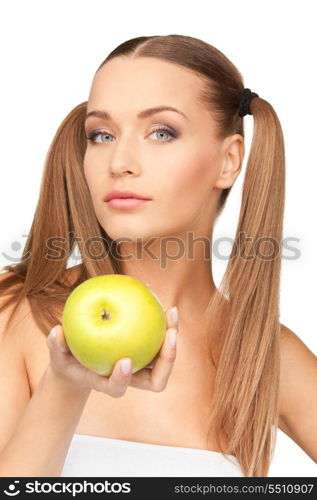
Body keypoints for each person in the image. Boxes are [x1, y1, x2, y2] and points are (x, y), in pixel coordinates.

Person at [0, 34, 316, 478]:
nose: (120, 161)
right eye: (102, 134)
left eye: (161, 133)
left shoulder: (264, 355)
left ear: (229, 161)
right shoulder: (13, 312)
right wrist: (64, 386)